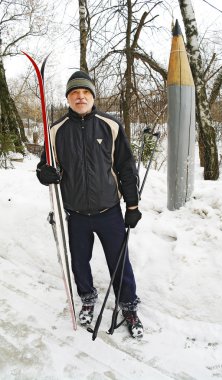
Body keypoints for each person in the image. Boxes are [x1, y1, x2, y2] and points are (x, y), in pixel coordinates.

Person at [36, 71, 143, 338]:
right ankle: (86, 298)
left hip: (109, 211)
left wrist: (132, 206)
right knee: (79, 262)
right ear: (68, 98)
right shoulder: (56, 131)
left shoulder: (111, 125)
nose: (80, 97)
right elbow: (45, 167)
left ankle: (128, 305)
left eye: (85, 93)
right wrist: (44, 173)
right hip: (75, 213)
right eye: (74, 93)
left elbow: (126, 168)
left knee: (119, 262)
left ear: (93, 97)